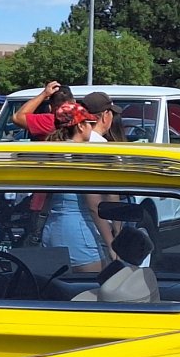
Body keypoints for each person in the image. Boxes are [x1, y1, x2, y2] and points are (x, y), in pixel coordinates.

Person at [38, 101, 115, 268]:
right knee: (91, 290)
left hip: (52, 229)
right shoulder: (82, 156)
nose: (91, 127)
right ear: (80, 126)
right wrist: (111, 243)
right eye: (89, 123)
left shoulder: (53, 154)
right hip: (79, 231)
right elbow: (94, 205)